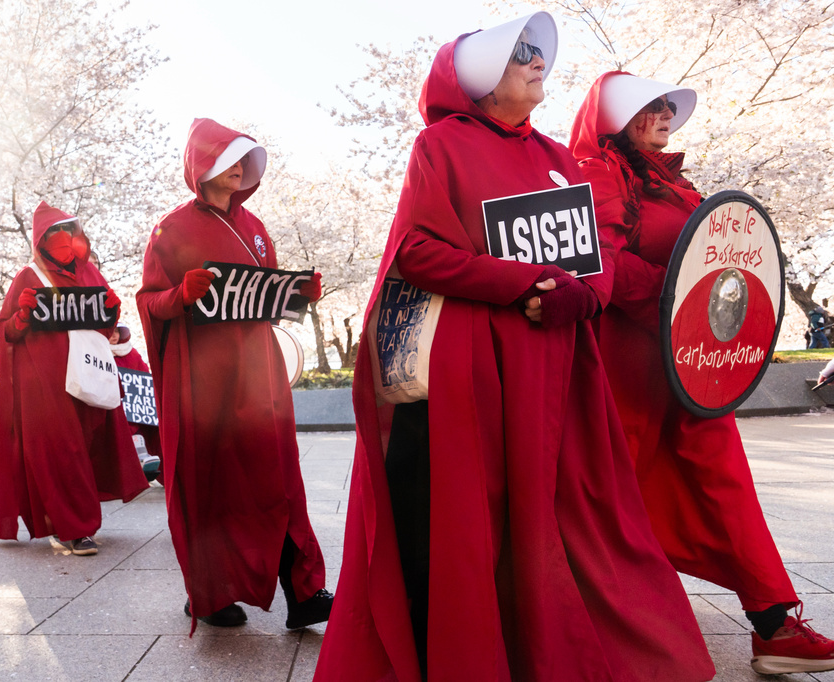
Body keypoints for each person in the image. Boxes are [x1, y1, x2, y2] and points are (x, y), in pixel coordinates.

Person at [314, 15, 716, 682]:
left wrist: (581, 296)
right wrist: (523, 281)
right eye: (522, 53)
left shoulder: (560, 156)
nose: (539, 63)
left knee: (573, 519)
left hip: (557, 367)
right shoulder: (440, 145)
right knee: (478, 523)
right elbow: (413, 252)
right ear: (480, 77)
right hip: (475, 367)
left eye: (539, 54)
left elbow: (595, 262)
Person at [569, 70, 834, 676]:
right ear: (618, 115)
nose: (668, 114)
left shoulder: (671, 180)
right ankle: (600, 619)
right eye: (653, 105)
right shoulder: (595, 173)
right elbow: (602, 266)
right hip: (625, 361)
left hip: (692, 360)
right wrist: (675, 296)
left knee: (724, 478)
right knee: (620, 488)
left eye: (669, 105)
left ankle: (773, 622)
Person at [137, 118, 332, 630]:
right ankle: (209, 591)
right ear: (203, 166)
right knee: (215, 481)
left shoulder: (255, 227)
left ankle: (304, 591)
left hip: (257, 370)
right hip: (205, 379)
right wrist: (180, 295)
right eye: (228, 157)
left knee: (280, 476)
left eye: (245, 158)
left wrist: (298, 296)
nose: (240, 167)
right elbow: (150, 302)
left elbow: (265, 296)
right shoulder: (171, 229)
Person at [0, 201, 148, 556]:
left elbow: (105, 329)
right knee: (62, 450)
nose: (63, 238)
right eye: (54, 232)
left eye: (68, 231)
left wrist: (112, 313)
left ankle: (77, 520)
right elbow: (8, 332)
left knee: (88, 445)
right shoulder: (27, 277)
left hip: (88, 374)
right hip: (45, 384)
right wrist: (22, 317)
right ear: (41, 239)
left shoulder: (91, 274)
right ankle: (73, 527)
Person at [109, 322, 162, 481]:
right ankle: (139, 459)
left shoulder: (131, 353)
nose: (114, 336)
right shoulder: (99, 353)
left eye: (117, 332)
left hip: (135, 406)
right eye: (110, 331)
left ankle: (145, 458)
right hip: (112, 404)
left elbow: (144, 376)